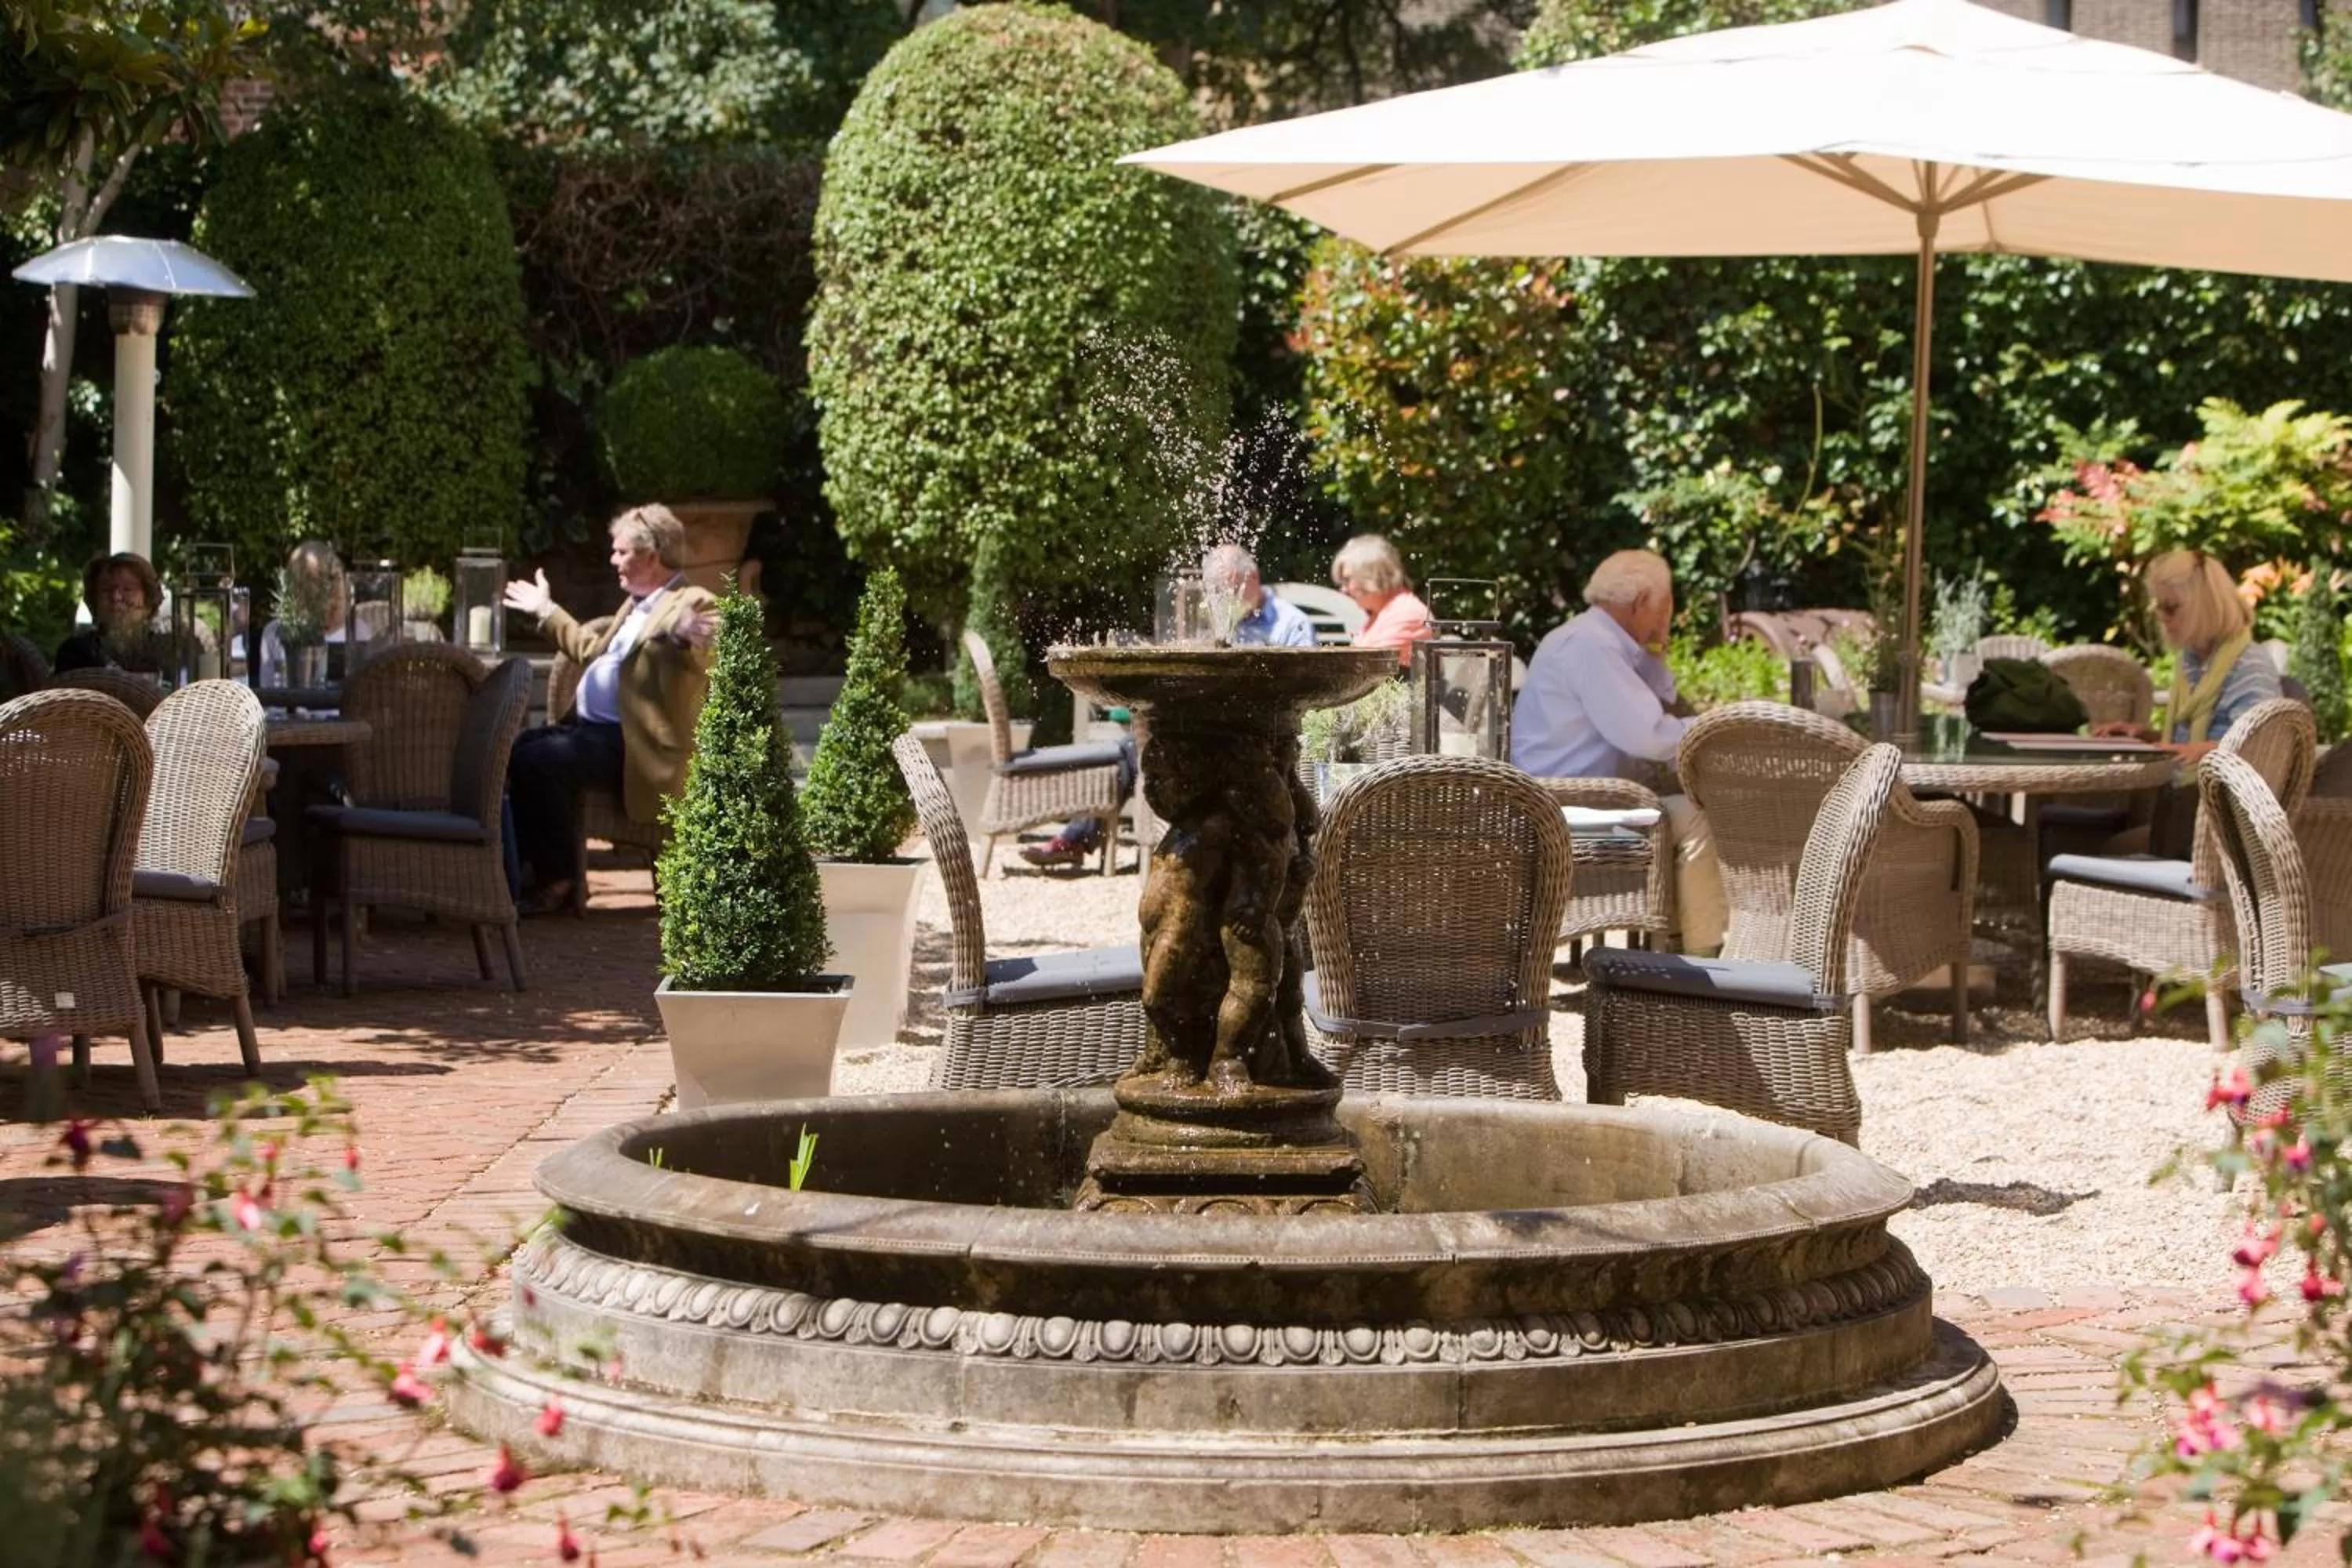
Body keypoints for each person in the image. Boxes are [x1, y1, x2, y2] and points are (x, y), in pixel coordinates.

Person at [1021, 543, 1314, 869]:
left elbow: (1309, 685)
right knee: (1139, 747)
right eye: (1215, 589)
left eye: (1229, 586)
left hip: (1261, 733)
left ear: (1253, 577)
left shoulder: (1290, 623)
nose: (1222, 596)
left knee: (1130, 750)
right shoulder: (1214, 621)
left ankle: (1078, 838)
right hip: (1208, 725)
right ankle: (1082, 838)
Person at [1510, 548, 1727, 955]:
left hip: (1570, 800)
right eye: (1665, 606)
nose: (1667, 616)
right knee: (1697, 817)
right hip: (1572, 810)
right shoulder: (1593, 647)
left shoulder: (1592, 639)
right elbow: (1650, 737)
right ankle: (1703, 956)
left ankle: (1678, 944)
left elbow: (1663, 698)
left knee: (1682, 806)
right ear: (1642, 601)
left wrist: (1657, 646)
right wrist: (1718, 726)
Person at [502, 505, 717, 913]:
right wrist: (546, 610)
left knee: (539, 761)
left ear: (652, 556)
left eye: (622, 552)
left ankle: (557, 879)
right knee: (517, 750)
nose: (613, 560)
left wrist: (683, 637)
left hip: (637, 747)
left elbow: (709, 645)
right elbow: (590, 650)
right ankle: (523, 871)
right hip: (594, 734)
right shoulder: (637, 603)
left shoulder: (693, 603)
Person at [2093, 548, 2281, 768]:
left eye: (2171, 608)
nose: (2161, 617)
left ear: (2206, 607)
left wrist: (2199, 751)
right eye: (2158, 607)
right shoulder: (2192, 659)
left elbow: (2261, 747)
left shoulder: (2249, 665)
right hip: (2187, 782)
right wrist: (2144, 737)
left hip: (2216, 787)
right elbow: (2188, 747)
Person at [257, 540, 372, 686]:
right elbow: (268, 694)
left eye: (336, 578)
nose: (333, 589)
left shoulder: (358, 631)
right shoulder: (276, 633)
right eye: (317, 580)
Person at [53, 551, 167, 673]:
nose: (116, 597)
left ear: (148, 600)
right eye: (106, 590)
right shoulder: (76, 652)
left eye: (127, 589)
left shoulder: (167, 651)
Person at [1331, 535, 1434, 668]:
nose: (1343, 590)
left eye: (1347, 580)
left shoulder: (1406, 615)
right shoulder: (1384, 613)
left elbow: (1364, 670)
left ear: (1372, 577)